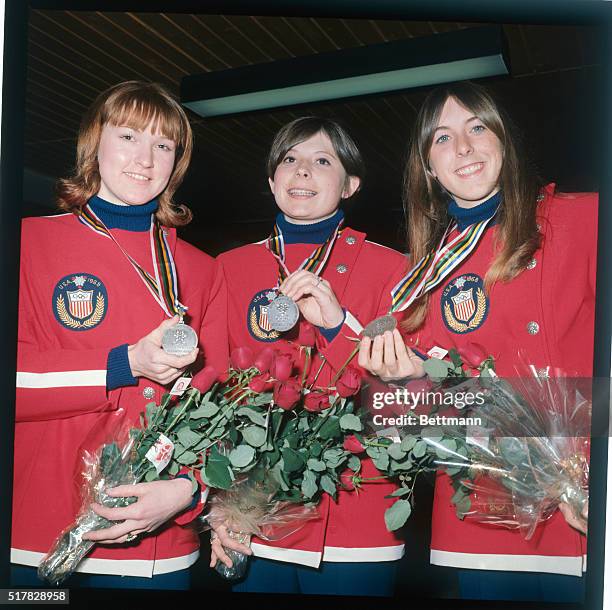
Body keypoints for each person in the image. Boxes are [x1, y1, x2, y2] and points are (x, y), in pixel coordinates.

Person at [359, 81, 597, 602]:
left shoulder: (584, 219)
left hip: (589, 506)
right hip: (481, 519)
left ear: (504, 141)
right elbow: (423, 414)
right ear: (428, 168)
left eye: (477, 127)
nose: (462, 148)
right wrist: (407, 384)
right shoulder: (421, 275)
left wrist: (596, 473)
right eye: (441, 138)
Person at [12, 81, 227, 589]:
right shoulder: (26, 243)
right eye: (129, 136)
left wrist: (187, 489)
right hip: (34, 534)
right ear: (94, 143)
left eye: (163, 145)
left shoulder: (201, 270)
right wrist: (122, 363)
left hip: (155, 547)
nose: (145, 158)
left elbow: (219, 402)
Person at [209, 117, 417, 596]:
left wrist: (336, 325)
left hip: (356, 512)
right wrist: (217, 501)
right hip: (252, 514)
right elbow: (215, 391)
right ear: (271, 181)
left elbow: (404, 402)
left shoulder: (394, 268)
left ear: (350, 185)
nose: (302, 171)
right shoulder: (229, 268)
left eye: (322, 161)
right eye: (290, 159)